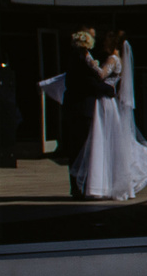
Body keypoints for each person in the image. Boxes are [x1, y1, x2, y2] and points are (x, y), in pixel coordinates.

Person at [78, 27, 147, 201]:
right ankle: (106, 183)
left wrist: (89, 59)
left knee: (103, 140)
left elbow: (101, 75)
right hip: (109, 102)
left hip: (104, 103)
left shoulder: (113, 59)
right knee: (107, 141)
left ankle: (100, 185)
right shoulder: (120, 60)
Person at [48, 28, 113, 196]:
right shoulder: (80, 60)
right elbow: (88, 83)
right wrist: (108, 89)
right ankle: (80, 186)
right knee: (81, 149)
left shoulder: (74, 59)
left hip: (75, 108)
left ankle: (78, 186)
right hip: (81, 110)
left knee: (77, 149)